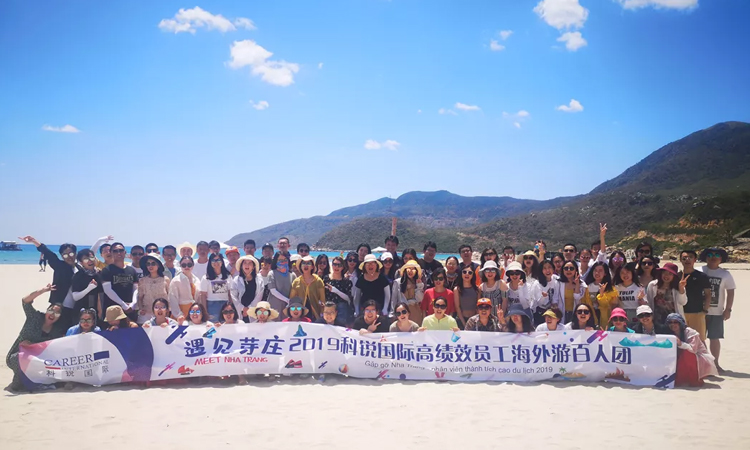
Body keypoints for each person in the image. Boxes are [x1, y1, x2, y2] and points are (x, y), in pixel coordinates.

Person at [6, 284, 65, 391]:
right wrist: (43, 290)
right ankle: (16, 384)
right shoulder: (34, 317)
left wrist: (32, 346)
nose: (53, 314)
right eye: (51, 310)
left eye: (57, 313)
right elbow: (25, 301)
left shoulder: (56, 331)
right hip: (18, 354)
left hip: (39, 360)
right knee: (17, 359)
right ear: (47, 311)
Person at [19, 236, 76, 317]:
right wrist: (34, 241)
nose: (69, 257)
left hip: (75, 307)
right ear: (62, 256)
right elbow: (49, 254)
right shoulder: (60, 266)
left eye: (71, 253)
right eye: (65, 255)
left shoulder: (80, 268)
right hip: (58, 306)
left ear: (75, 253)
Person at [699, 247, 736, 371]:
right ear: (705, 257)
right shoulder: (699, 270)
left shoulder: (725, 274)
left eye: (717, 255)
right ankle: (704, 363)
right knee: (700, 338)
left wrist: (728, 309)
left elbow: (730, 292)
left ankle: (715, 363)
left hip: (717, 312)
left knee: (714, 338)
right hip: (699, 311)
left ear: (721, 258)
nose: (713, 257)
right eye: (710, 255)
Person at [666, 313, 718, 386]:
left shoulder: (690, 332)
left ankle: (695, 379)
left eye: (675, 322)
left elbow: (693, 349)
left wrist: (680, 343)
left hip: (699, 358)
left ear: (680, 322)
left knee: (687, 353)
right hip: (682, 359)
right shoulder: (669, 333)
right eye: (670, 322)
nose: (673, 324)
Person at [101, 242, 139, 321]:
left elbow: (136, 289)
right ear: (111, 253)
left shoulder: (132, 270)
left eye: (121, 250)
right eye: (115, 251)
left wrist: (133, 303)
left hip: (130, 309)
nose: (119, 253)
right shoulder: (106, 270)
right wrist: (123, 305)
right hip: (113, 310)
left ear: (125, 252)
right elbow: (108, 290)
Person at [679, 250, 712, 341]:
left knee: (699, 340)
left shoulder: (701, 276)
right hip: (681, 313)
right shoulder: (677, 276)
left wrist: (704, 310)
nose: (687, 260)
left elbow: (708, 294)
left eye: (690, 257)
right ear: (680, 260)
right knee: (682, 340)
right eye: (684, 258)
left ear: (695, 260)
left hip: (697, 313)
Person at [290, 255, 327, 320]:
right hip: (300, 314)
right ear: (301, 266)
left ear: (312, 267)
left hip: (315, 314)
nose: (306, 265)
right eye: (303, 263)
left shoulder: (318, 281)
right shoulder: (296, 281)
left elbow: (322, 300)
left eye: (308, 263)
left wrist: (322, 313)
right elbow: (292, 299)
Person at [71, 249, 103, 321]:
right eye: (85, 259)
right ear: (81, 263)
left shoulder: (100, 273)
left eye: (91, 257)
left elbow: (101, 294)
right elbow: (75, 297)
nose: (90, 260)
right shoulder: (78, 276)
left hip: (97, 311)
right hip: (81, 311)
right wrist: (89, 288)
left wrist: (101, 310)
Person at [137, 253, 169, 325]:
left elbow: (169, 297)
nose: (150, 266)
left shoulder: (166, 280)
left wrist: (168, 310)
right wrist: (141, 309)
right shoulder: (142, 281)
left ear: (158, 265)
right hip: (147, 314)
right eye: (148, 264)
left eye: (153, 263)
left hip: (162, 313)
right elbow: (140, 298)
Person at [584, 261, 619, 327]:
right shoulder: (587, 287)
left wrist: (601, 294)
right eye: (595, 270)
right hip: (590, 318)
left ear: (605, 273)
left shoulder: (611, 289)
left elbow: (610, 305)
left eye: (600, 271)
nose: (597, 273)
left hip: (605, 319)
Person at [230, 255, 264, 322]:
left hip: (254, 310)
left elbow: (259, 296)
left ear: (253, 266)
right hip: (240, 311)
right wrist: (243, 308)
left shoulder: (259, 279)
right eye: (245, 263)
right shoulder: (236, 279)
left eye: (249, 263)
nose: (247, 265)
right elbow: (233, 296)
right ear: (241, 266)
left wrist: (249, 308)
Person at [199, 254, 232, 322]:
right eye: (213, 260)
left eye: (218, 260)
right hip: (212, 305)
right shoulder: (205, 278)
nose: (216, 262)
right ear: (210, 263)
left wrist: (231, 307)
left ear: (222, 262)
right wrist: (205, 311)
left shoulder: (228, 276)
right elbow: (203, 296)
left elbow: (230, 294)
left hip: (225, 305)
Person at [323, 256, 353, 325]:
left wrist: (336, 291)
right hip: (329, 306)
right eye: (334, 264)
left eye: (339, 265)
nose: (336, 267)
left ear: (342, 267)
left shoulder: (346, 281)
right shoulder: (326, 278)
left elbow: (348, 299)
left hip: (341, 309)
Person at [267, 252, 297, 320]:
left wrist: (290, 302)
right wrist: (287, 300)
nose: (283, 262)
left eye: (285, 260)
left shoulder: (292, 275)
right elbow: (273, 291)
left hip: (288, 307)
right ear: (276, 261)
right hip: (274, 306)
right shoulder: (272, 273)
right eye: (280, 260)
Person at [454, 263, 480, 329]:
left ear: (473, 275)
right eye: (464, 272)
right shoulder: (457, 289)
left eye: (470, 272)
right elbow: (457, 308)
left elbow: (478, 307)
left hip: (474, 320)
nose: (467, 274)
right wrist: (464, 324)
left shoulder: (477, 289)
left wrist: (473, 321)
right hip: (460, 320)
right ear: (461, 273)